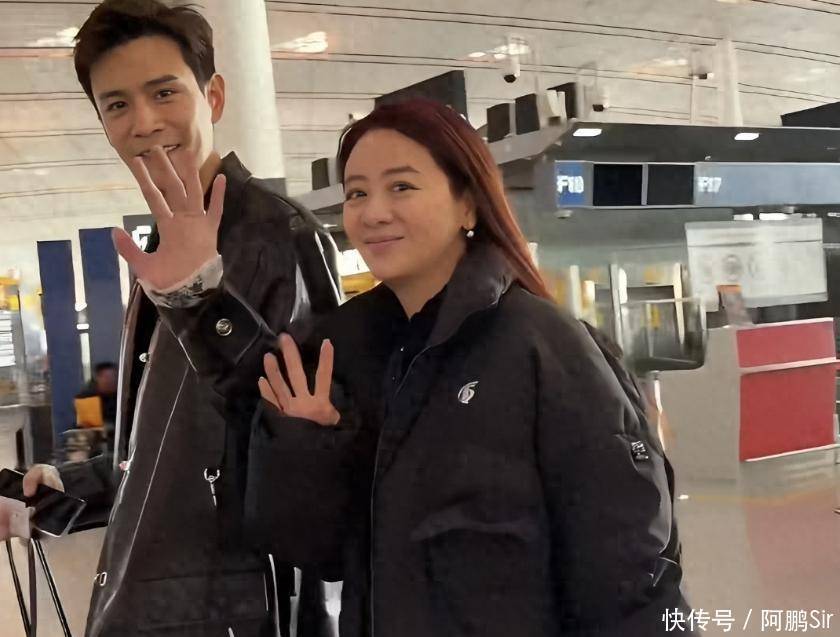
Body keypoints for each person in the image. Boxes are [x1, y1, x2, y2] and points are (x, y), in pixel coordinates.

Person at [163, 98, 695, 636]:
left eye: (401, 186)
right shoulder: (349, 352)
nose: (373, 212)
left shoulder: (544, 347)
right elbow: (321, 553)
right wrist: (303, 442)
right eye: (356, 193)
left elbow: (631, 573)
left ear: (468, 205)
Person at [21, 1, 341, 635]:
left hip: (233, 609)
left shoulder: (273, 236)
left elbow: (308, 449)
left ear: (213, 97)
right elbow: (171, 447)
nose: (143, 122)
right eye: (116, 105)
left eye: (164, 92)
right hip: (152, 599)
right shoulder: (160, 244)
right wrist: (65, 488)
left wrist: (201, 296)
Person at [75, 361, 118, 428]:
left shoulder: (123, 397)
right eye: (107, 377)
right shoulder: (87, 398)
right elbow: (88, 425)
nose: (111, 380)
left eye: (114, 376)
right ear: (97, 378)